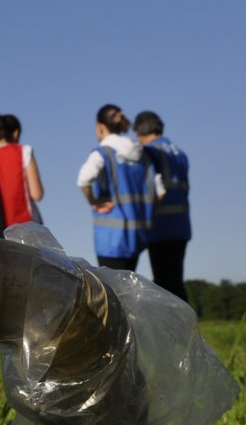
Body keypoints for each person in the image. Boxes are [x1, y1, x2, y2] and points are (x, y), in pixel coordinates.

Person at [77, 104, 153, 271]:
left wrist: (94, 202)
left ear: (99, 126)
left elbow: (84, 179)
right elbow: (158, 190)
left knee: (114, 292)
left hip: (110, 237)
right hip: (137, 234)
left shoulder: (103, 153)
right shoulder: (141, 155)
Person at [134, 110, 191, 302]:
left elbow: (150, 189)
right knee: (175, 281)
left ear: (140, 132)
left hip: (161, 226)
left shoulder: (151, 152)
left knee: (165, 285)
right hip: (181, 225)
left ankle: (176, 330)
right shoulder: (179, 152)